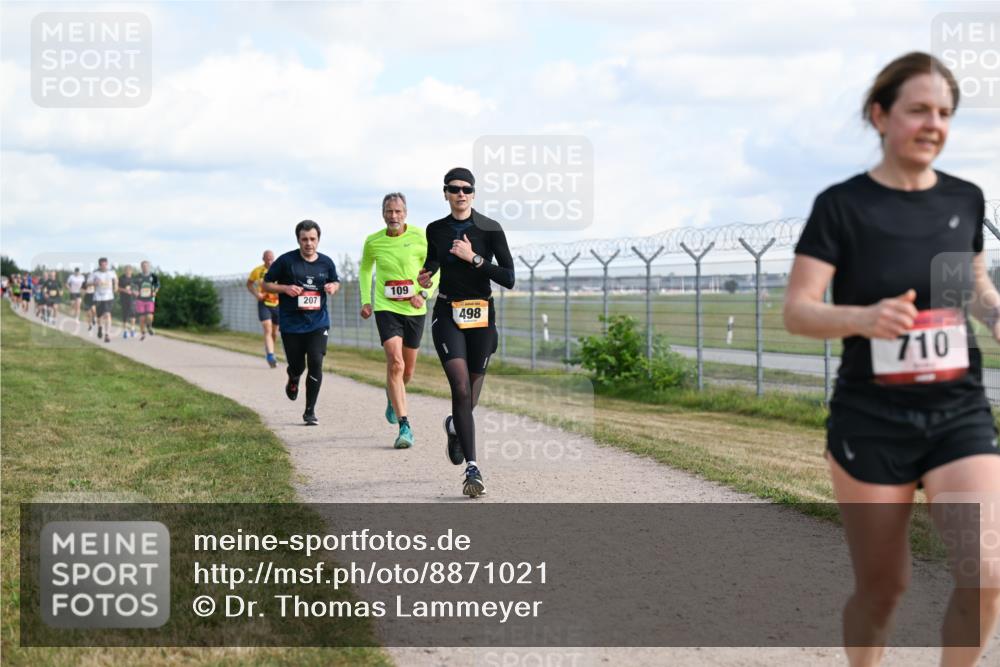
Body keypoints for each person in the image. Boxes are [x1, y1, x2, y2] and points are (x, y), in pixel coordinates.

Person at [783, 52, 1000, 666]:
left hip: (957, 410)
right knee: (884, 590)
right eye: (919, 110)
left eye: (945, 113)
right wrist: (863, 317)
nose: (934, 123)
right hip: (871, 417)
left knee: (986, 571)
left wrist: (994, 310)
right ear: (880, 115)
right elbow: (799, 310)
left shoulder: (964, 198)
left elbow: (971, 285)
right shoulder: (843, 206)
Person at [418, 167, 515, 497]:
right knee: (460, 388)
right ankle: (472, 468)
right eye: (453, 188)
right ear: (445, 193)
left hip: (482, 315)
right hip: (448, 313)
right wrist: (426, 276)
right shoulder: (435, 230)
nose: (460, 193)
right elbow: (432, 262)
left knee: (470, 395)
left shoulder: (490, 228)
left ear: (473, 194)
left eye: (466, 189)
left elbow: (509, 277)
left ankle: (454, 426)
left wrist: (473, 258)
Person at [360, 192, 437, 449]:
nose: (394, 216)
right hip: (386, 307)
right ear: (383, 213)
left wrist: (424, 293)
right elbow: (364, 270)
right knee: (395, 363)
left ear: (406, 213)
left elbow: (436, 269)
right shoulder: (373, 242)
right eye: (389, 211)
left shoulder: (420, 237)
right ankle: (405, 426)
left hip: (415, 309)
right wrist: (365, 300)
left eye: (398, 211)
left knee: (408, 372)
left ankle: (393, 394)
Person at [263, 220, 340, 426]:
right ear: (298, 240)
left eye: (312, 239)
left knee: (316, 361)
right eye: (304, 239)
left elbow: (335, 281)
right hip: (291, 324)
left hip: (318, 322)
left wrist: (333, 286)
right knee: (298, 365)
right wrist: (285, 289)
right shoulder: (286, 261)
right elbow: (266, 284)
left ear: (318, 240)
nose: (309, 243)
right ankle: (293, 377)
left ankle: (309, 411)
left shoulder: (326, 262)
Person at [247, 250, 280, 368]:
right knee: (267, 329)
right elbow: (249, 284)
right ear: (263, 259)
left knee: (274, 333)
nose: (270, 261)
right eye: (268, 258)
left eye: (272, 258)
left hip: (277, 304)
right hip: (264, 303)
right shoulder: (258, 271)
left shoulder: (279, 270)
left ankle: (270, 350)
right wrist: (257, 294)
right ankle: (270, 355)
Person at [91, 258, 117, 343]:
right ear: (99, 265)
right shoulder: (95, 273)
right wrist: (94, 283)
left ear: (107, 264)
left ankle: (107, 335)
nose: (104, 266)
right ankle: (99, 327)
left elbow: (116, 279)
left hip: (109, 297)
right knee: (99, 316)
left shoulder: (111, 272)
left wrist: (116, 285)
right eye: (102, 264)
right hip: (98, 297)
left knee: (107, 314)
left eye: (105, 264)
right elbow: (87, 283)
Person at [134, 261, 159, 340]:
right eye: (143, 266)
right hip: (140, 300)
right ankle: (143, 334)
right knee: (141, 318)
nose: (145, 267)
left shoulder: (153, 276)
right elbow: (132, 286)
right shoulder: (138, 276)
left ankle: (149, 326)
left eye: (146, 266)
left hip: (149, 299)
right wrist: (135, 291)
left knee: (149, 316)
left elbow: (157, 285)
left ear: (149, 267)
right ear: (141, 267)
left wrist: (155, 291)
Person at [118, 264, 137, 338]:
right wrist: (125, 290)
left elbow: (137, 288)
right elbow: (117, 288)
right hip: (124, 298)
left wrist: (136, 292)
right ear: (124, 271)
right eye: (126, 270)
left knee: (133, 313)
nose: (128, 271)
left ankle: (132, 329)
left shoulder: (134, 278)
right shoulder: (121, 278)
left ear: (131, 271)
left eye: (129, 270)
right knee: (125, 314)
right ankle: (125, 331)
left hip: (133, 299)